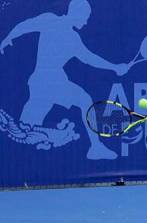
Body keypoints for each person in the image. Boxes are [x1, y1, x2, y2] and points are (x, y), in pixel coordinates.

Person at [0, 0, 128, 160]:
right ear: (77, 13)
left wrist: (114, 67)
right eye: (85, 17)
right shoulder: (52, 22)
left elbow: (89, 58)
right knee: (85, 100)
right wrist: (115, 67)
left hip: (42, 83)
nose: (86, 21)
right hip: (49, 80)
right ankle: (95, 147)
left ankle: (16, 153)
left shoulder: (72, 37)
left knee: (26, 130)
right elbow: (26, 25)